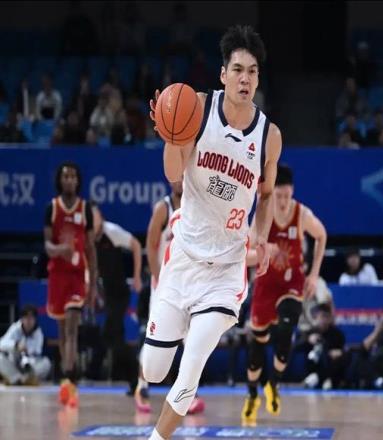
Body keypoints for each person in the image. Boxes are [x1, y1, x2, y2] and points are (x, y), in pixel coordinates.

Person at [143, 25, 282, 440]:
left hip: (225, 271)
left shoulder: (270, 136)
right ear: (223, 74)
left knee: (191, 369)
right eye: (237, 69)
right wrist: (170, 136)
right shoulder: (198, 109)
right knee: (153, 370)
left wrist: (261, 235)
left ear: (258, 78)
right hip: (183, 258)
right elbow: (173, 174)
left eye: (252, 71)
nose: (245, 78)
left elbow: (267, 195)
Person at [241, 164, 327, 424]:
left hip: (292, 282)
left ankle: (274, 383)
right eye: (278, 196)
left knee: (287, 329)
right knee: (257, 347)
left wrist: (314, 274)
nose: (282, 201)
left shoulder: (301, 214)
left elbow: (321, 235)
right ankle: (253, 394)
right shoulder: (262, 214)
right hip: (265, 285)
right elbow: (247, 252)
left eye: (286, 196)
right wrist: (264, 250)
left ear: (292, 192)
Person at [44, 161, 97, 407]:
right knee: (62, 332)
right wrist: (59, 250)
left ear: (78, 181)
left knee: (73, 328)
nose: (69, 180)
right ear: (59, 180)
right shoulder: (52, 208)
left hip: (77, 275)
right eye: (65, 176)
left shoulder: (85, 209)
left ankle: (69, 379)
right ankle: (67, 380)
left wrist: (93, 284)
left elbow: (90, 248)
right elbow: (47, 245)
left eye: (73, 176)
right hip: (58, 274)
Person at [134, 181, 183, 413]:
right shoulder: (163, 209)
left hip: (187, 283)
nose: (180, 180)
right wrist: (158, 279)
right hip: (164, 283)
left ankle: (186, 391)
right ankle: (142, 386)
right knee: (154, 335)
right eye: (177, 176)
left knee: (190, 338)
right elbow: (151, 246)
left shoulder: (197, 204)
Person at [89, 202, 143, 398]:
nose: (92, 219)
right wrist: (94, 289)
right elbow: (94, 265)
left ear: (100, 216)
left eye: (94, 215)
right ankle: (135, 381)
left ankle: (135, 376)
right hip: (108, 294)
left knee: (109, 334)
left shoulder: (111, 231)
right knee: (115, 339)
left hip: (120, 293)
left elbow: (136, 245)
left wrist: (136, 276)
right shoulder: (90, 238)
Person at [0, 305, 51, 385]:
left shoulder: (38, 333)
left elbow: (37, 352)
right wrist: (16, 345)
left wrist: (27, 350)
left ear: (35, 320)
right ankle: (16, 379)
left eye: (31, 318)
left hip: (29, 366)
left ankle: (24, 379)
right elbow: (1, 343)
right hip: (14, 362)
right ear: (22, 319)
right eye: (26, 318)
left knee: (46, 363)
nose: (29, 321)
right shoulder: (15, 328)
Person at [302, 303, 347, 390]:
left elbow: (342, 350)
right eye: (322, 316)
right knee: (316, 352)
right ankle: (318, 378)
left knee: (344, 356)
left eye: (326, 317)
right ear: (316, 317)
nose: (324, 320)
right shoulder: (310, 332)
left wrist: (339, 352)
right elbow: (296, 347)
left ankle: (319, 378)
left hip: (332, 366)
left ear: (330, 318)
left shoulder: (337, 334)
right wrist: (308, 340)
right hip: (314, 366)